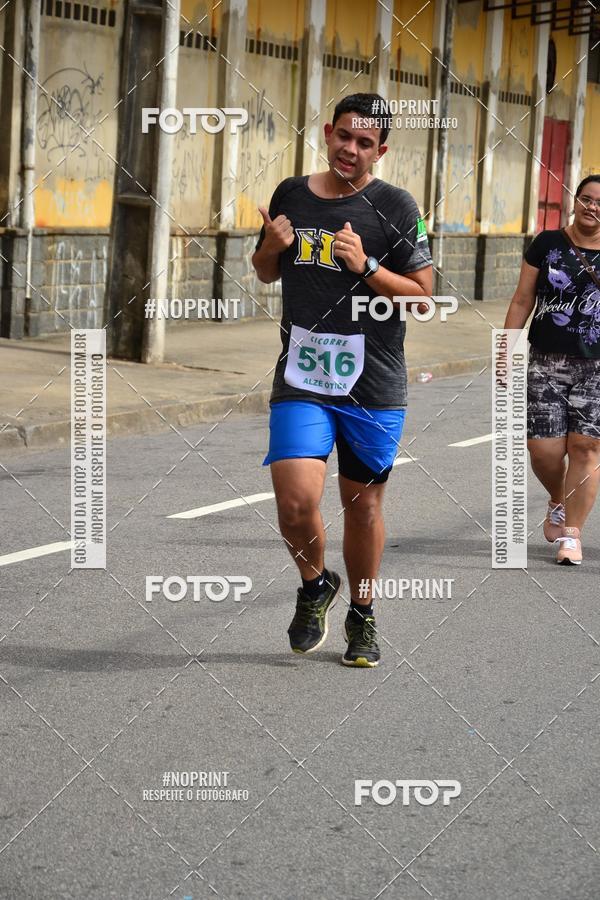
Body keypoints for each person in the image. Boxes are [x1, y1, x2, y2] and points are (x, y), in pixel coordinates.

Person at [251, 93, 433, 666]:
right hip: (302, 377)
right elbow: (264, 271)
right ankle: (314, 585)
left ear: (381, 151)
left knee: (363, 506)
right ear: (328, 132)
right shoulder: (291, 194)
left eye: (364, 143)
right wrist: (270, 250)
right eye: (344, 136)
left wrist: (368, 267)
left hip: (373, 385)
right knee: (295, 501)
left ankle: (363, 612)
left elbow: (424, 297)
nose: (350, 149)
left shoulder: (397, 207)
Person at [504, 174, 600, 565]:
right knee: (543, 450)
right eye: (587, 198)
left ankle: (571, 535)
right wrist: (506, 350)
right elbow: (522, 299)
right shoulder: (547, 243)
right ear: (575, 200)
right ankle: (558, 498)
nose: (592, 207)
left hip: (596, 366)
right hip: (546, 361)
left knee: (586, 447)